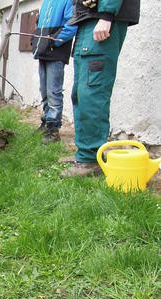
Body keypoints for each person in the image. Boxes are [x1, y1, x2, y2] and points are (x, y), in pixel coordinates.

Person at [61, 0, 140, 177]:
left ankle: (90, 160)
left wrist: (107, 14)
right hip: (89, 18)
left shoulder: (105, 15)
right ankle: (85, 153)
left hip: (102, 17)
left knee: (92, 92)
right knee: (80, 93)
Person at [31, 0, 77, 144]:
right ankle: (46, 121)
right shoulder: (46, 2)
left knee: (53, 91)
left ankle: (53, 129)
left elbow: (72, 25)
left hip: (56, 53)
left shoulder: (68, 1)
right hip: (43, 51)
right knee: (44, 90)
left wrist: (53, 41)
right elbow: (40, 24)